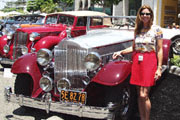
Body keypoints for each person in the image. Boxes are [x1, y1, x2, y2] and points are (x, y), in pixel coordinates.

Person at [112, 5, 163, 120]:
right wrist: (121, 52)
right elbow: (134, 47)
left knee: (144, 94)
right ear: (139, 16)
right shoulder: (137, 30)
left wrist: (159, 68)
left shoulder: (157, 30)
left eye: (147, 14)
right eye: (143, 14)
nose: (145, 16)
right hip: (137, 62)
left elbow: (159, 50)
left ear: (151, 16)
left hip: (149, 61)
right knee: (139, 95)